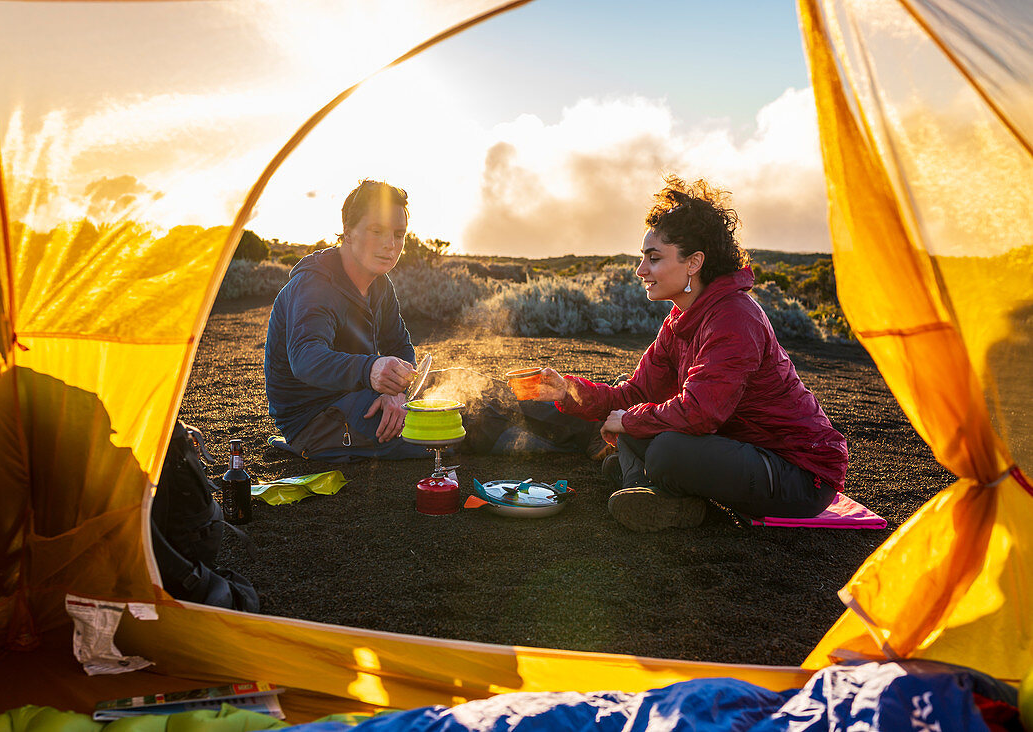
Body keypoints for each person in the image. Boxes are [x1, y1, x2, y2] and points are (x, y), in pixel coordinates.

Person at [530, 176, 848, 531]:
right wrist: (567, 391)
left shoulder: (735, 318)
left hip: (798, 475)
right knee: (638, 417)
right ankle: (650, 490)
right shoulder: (680, 320)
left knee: (666, 449)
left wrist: (631, 422)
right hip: (740, 448)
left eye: (654, 258)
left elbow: (700, 414)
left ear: (694, 262)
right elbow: (634, 393)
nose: (641, 270)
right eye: (642, 258)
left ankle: (646, 480)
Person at [265, 179, 607, 463]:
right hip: (318, 417)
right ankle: (588, 443)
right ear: (348, 232)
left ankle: (594, 421)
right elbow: (306, 359)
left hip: (364, 394)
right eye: (377, 231)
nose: (390, 245)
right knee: (455, 426)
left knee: (468, 384)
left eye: (398, 234)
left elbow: (400, 346)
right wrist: (372, 372)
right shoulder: (315, 285)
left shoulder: (379, 283)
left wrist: (398, 390)